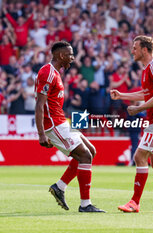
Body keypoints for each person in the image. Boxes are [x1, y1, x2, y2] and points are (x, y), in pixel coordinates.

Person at [110, 35, 153, 213]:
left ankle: (134, 202)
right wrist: (123, 95)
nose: (132, 51)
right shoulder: (148, 68)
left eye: (135, 48)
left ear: (144, 50)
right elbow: (147, 93)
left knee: (140, 156)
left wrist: (138, 108)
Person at [34, 41, 105, 213]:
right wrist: (42, 134)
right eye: (70, 54)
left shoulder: (55, 73)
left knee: (91, 151)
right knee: (85, 156)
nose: (73, 58)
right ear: (61, 55)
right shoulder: (47, 73)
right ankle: (85, 204)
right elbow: (39, 105)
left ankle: (60, 187)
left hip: (61, 121)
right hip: (54, 124)